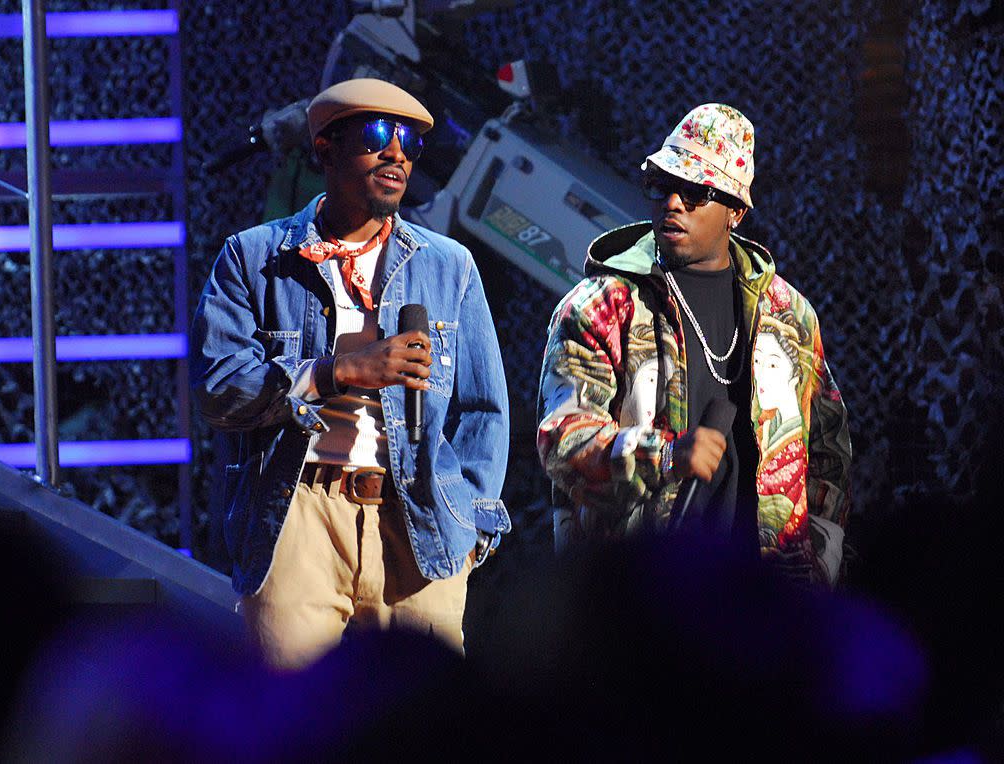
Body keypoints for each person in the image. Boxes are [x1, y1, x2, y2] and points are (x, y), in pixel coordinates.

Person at [191, 78, 510, 668]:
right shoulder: (256, 258)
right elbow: (217, 388)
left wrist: (472, 528)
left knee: (428, 727)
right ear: (325, 149)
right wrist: (340, 371)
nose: (395, 153)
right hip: (299, 515)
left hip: (420, 520)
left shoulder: (447, 266)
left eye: (410, 142)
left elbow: (483, 410)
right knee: (294, 727)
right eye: (375, 135)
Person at [537, 103, 851, 584]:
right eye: (663, 186)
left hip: (765, 598)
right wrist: (661, 455)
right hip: (638, 595)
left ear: (736, 213)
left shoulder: (788, 313)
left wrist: (821, 561)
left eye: (695, 191)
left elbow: (828, 449)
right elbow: (562, 438)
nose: (673, 203)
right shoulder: (604, 304)